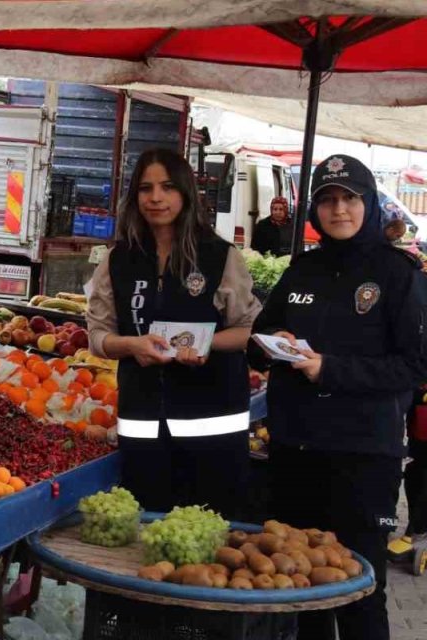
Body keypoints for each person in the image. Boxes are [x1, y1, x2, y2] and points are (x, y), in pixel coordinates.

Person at [251, 154, 427, 640]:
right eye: (327, 200)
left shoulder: (399, 274)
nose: (339, 209)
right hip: (294, 452)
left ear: (369, 204)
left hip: (362, 458)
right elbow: (261, 334)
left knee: (359, 592)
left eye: (349, 198)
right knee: (298, 587)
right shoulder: (303, 269)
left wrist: (330, 368)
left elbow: (414, 365)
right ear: (315, 210)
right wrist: (270, 343)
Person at [87, 147, 260, 518]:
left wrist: (204, 345)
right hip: (143, 427)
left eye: (167, 187)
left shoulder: (218, 255)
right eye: (146, 188)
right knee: (148, 534)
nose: (156, 198)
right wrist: (131, 345)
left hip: (212, 427)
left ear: (185, 192)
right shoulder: (119, 259)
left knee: (212, 539)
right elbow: (99, 336)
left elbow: (250, 329)